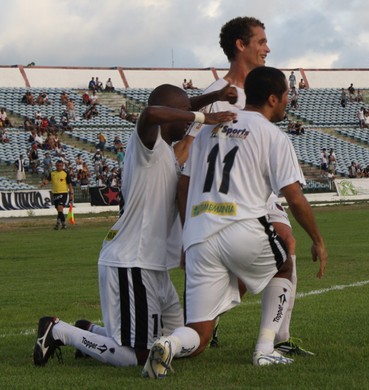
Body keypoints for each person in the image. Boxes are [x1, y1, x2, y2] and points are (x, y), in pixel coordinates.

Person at [32, 84, 237, 368]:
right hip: (132, 262)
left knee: (177, 341)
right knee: (139, 357)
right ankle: (59, 331)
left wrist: (213, 97)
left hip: (153, 266)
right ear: (174, 118)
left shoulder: (164, 149)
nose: (189, 118)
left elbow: (177, 107)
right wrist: (204, 118)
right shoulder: (147, 146)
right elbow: (152, 112)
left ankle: (90, 331)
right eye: (185, 115)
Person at [144, 66, 327, 378]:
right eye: (285, 96)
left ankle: (169, 345)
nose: (287, 102)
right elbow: (294, 196)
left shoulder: (208, 131)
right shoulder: (271, 134)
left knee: (200, 334)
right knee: (284, 262)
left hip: (200, 235)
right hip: (242, 225)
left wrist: (188, 234)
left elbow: (185, 184)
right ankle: (266, 349)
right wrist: (319, 240)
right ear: (272, 98)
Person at [39, 159, 74, 229]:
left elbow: (70, 184)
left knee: (60, 207)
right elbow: (47, 180)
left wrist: (71, 193)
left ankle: (63, 224)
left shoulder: (65, 173)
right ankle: (59, 223)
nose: (59, 167)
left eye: (60, 166)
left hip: (63, 193)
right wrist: (43, 184)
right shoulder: (52, 173)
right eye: (57, 166)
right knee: (58, 210)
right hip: (55, 193)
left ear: (62, 166)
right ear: (55, 165)